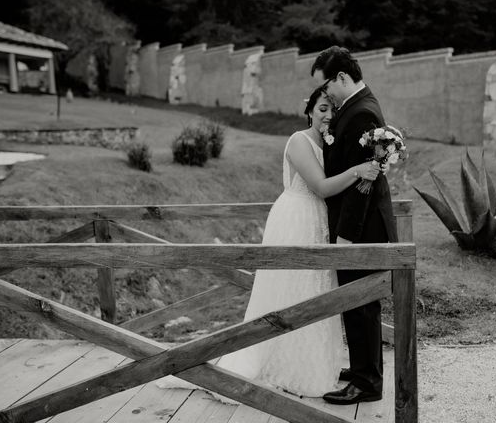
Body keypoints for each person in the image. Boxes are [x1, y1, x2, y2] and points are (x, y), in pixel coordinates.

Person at [158, 88, 379, 400]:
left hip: (317, 219)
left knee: (314, 289)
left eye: (333, 110)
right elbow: (321, 187)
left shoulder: (327, 142)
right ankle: (271, 359)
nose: (328, 115)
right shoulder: (299, 141)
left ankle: (305, 364)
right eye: (322, 109)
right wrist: (358, 171)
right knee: (286, 291)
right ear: (310, 110)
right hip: (296, 218)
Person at [311, 46, 398, 405]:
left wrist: (345, 235)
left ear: (342, 77)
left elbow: (363, 186)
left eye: (327, 85)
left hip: (361, 227)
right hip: (359, 224)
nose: (326, 94)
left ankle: (367, 382)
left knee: (361, 303)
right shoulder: (357, 107)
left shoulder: (362, 114)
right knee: (356, 303)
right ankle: (363, 367)